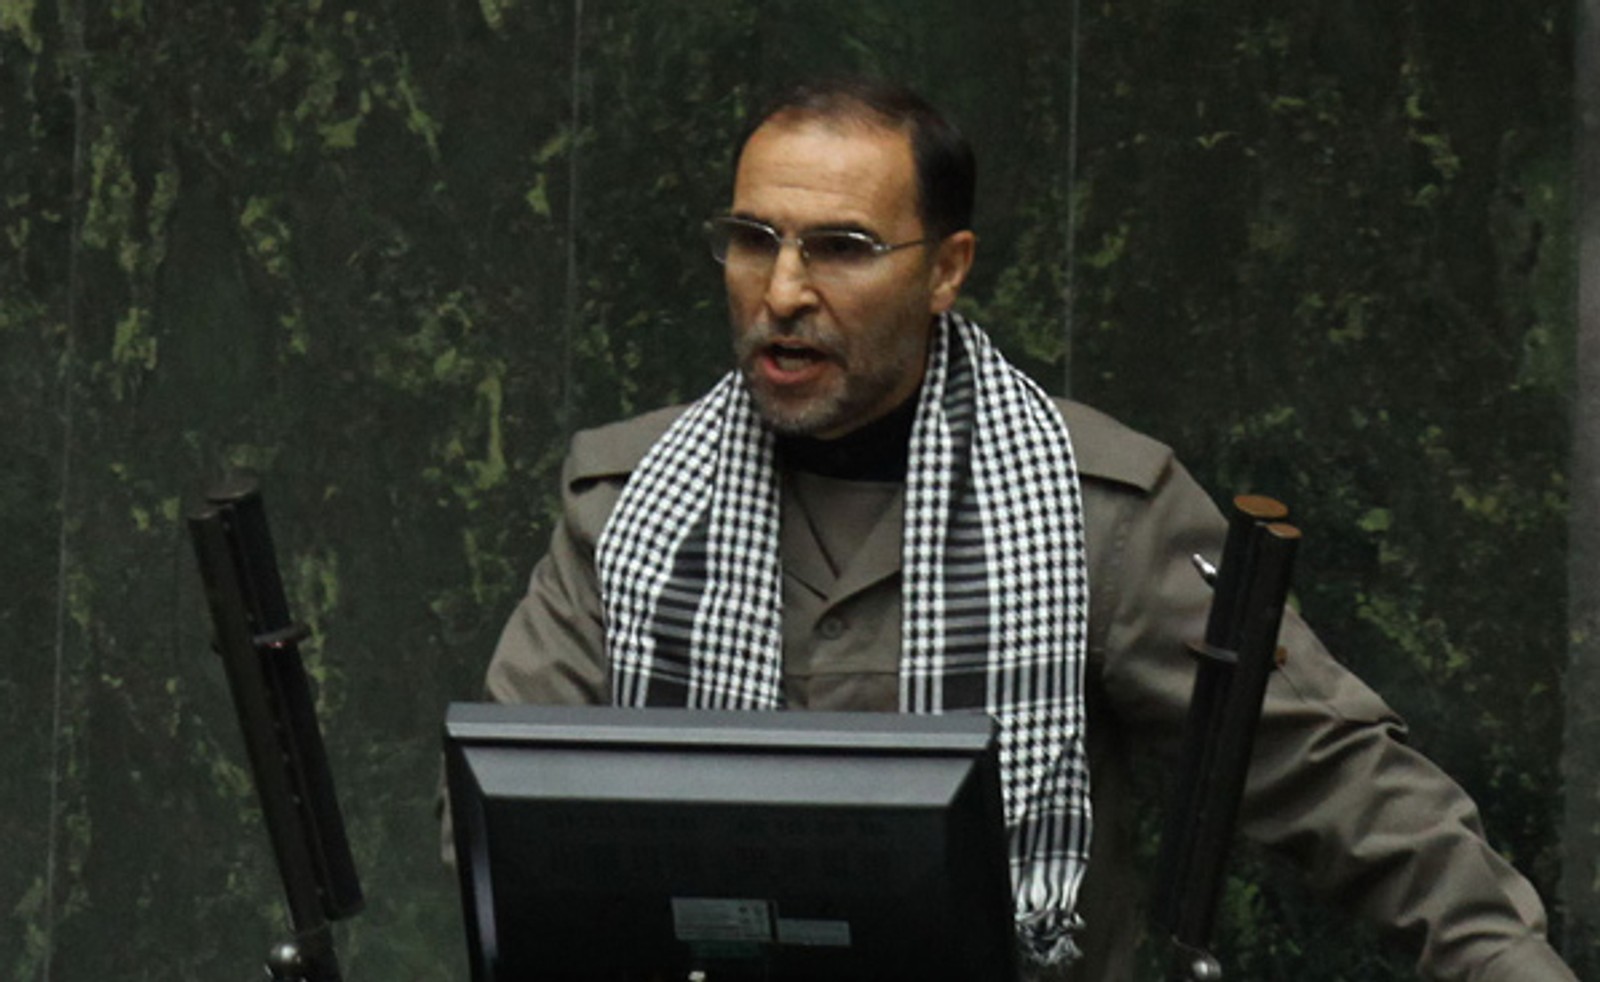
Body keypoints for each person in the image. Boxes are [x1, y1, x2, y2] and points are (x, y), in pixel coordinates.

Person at [477, 78, 1576, 979]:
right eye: (754, 239)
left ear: (946, 269)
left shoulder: (1100, 514)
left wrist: (1506, 964)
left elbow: (1334, 778)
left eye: (842, 247)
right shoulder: (629, 506)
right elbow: (499, 810)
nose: (784, 291)